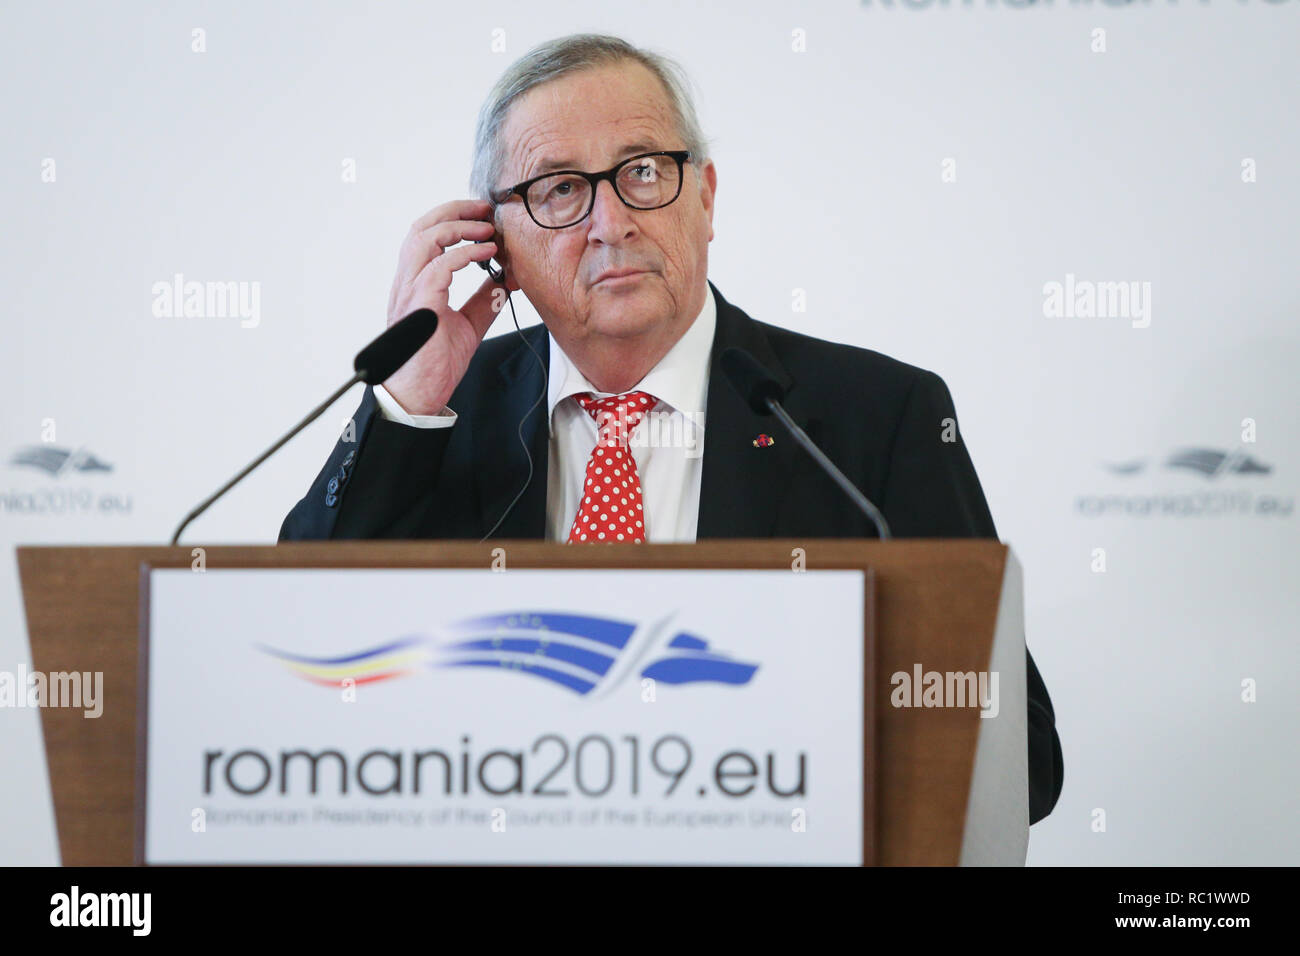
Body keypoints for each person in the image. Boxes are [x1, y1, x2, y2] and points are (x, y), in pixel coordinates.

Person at [280, 33, 1063, 824]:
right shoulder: (441, 413)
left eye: (643, 171)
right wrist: (407, 404)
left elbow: (1018, 759)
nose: (611, 222)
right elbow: (294, 673)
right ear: (498, 245)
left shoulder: (874, 417)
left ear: (707, 197)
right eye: (558, 189)